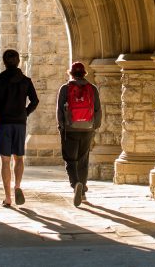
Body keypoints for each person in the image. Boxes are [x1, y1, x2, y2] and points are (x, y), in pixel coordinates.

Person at [0, 49, 39, 208]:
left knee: (5, 160)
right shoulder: (26, 81)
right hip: (20, 124)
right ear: (18, 62)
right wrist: (25, 113)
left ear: (4, 62)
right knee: (19, 157)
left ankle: (8, 197)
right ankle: (17, 186)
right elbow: (35, 101)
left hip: (4, 124)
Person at [57, 61, 101, 207]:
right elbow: (98, 110)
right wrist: (95, 126)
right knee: (83, 160)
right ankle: (82, 193)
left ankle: (76, 184)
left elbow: (59, 111)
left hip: (70, 129)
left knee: (70, 160)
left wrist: (62, 127)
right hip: (87, 129)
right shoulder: (92, 89)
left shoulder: (65, 88)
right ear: (84, 74)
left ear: (71, 73)